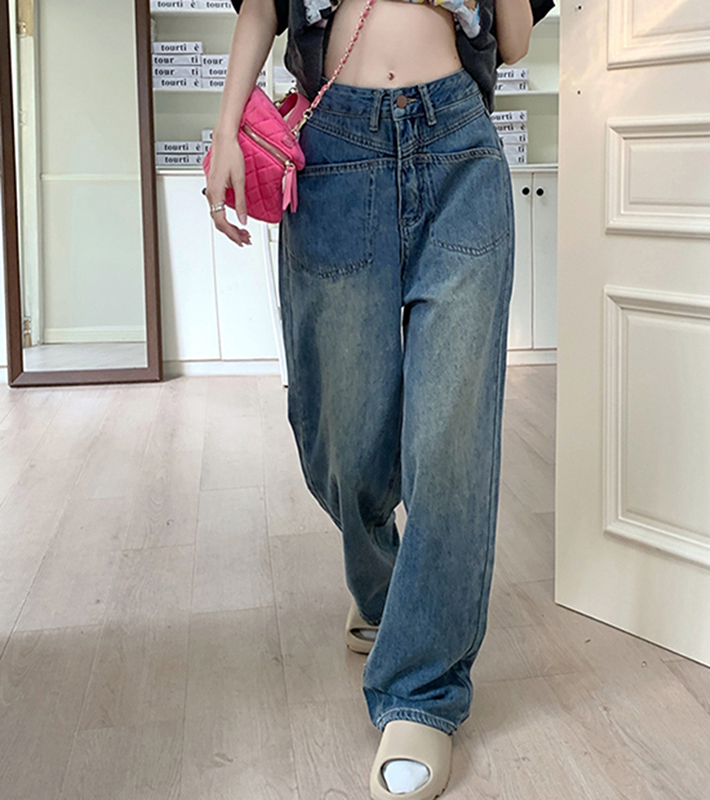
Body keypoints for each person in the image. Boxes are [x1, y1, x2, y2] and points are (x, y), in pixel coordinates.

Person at [204, 0, 554, 797]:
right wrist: (227, 125)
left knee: (452, 439)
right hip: (338, 151)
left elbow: (514, 39)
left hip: (458, 146)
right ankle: (381, 588)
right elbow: (262, 6)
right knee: (341, 436)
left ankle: (421, 692)